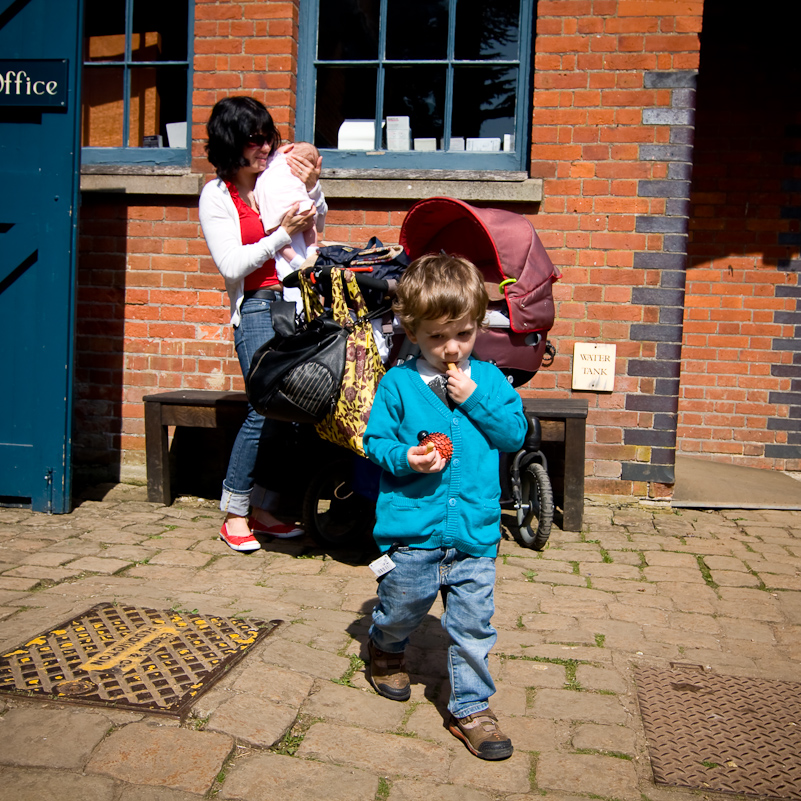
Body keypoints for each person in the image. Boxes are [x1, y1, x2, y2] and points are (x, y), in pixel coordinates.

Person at [362, 254, 527, 761]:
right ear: (412, 330)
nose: (451, 347)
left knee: (473, 624)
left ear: (478, 326)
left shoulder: (492, 382)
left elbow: (513, 434)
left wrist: (475, 398)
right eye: (437, 337)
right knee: (402, 608)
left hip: (474, 534)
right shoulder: (398, 384)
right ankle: (386, 647)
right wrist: (405, 458)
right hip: (413, 533)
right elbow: (374, 442)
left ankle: (471, 707)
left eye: (463, 333)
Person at [199, 96, 326, 552]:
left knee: (296, 412)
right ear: (232, 143)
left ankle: (265, 508)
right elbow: (231, 264)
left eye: (269, 137)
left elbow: (316, 224)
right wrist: (279, 233)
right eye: (256, 140)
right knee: (263, 405)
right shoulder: (217, 196)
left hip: (298, 302)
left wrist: (311, 191)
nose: (267, 148)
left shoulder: (276, 178)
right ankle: (234, 511)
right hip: (256, 305)